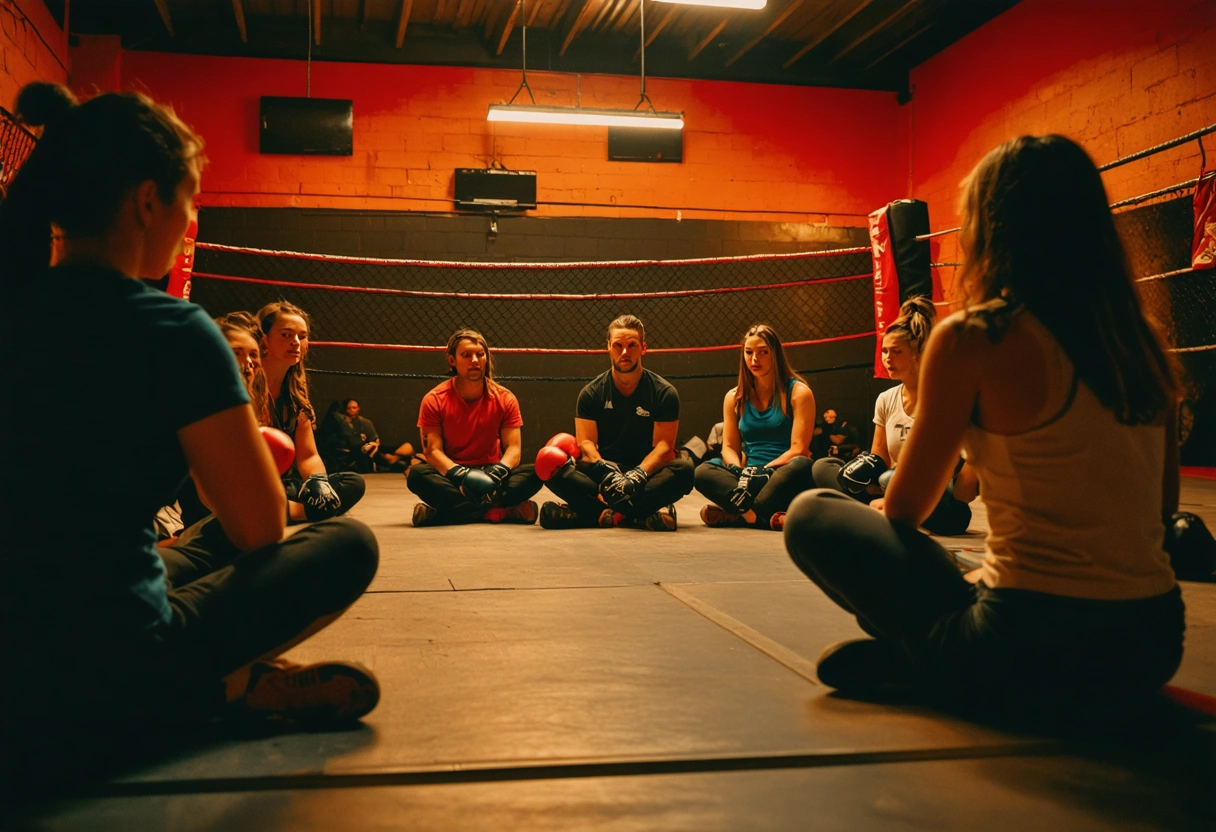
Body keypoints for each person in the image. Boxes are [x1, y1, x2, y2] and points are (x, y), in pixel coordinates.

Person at [0, 84, 381, 796]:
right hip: (105, 676)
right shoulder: (173, 331)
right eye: (188, 200)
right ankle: (227, 691)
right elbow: (260, 525)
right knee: (346, 544)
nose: (190, 218)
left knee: (180, 549)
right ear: (147, 202)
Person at [784, 135, 1185, 727]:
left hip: (1027, 639)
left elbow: (903, 510)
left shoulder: (977, 337)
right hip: (1151, 644)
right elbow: (1162, 510)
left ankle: (937, 663)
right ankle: (945, 654)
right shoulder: (1141, 341)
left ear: (991, 228)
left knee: (811, 513)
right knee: (966, 577)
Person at [810, 297, 976, 536]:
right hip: (892, 486)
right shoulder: (886, 399)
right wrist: (860, 475)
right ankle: (877, 512)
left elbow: (963, 469)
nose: (887, 358)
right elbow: (879, 458)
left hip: (943, 504)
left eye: (896, 352)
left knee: (893, 477)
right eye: (885, 351)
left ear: (918, 353)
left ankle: (864, 513)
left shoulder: (945, 397)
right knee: (824, 467)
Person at [541, 314, 694, 530]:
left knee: (685, 470)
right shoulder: (591, 393)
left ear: (643, 348)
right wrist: (607, 473)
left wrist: (637, 476)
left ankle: (590, 514)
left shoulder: (664, 392)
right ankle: (639, 514)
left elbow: (664, 447)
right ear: (608, 347)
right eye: (618, 345)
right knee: (551, 468)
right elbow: (586, 444)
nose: (625, 352)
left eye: (632, 345)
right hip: (604, 475)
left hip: (647, 475)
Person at [407, 329, 542, 526]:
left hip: (493, 475)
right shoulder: (434, 399)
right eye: (466, 355)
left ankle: (445, 514)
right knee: (417, 476)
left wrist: (498, 472)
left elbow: (513, 449)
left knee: (538, 470)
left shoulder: (504, 398)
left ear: (486, 358)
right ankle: (500, 511)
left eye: (480, 354)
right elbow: (432, 451)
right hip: (453, 475)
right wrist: (461, 477)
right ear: (452, 360)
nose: (475, 360)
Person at [693, 324, 816, 531]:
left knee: (802, 465)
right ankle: (757, 516)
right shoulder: (734, 397)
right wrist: (737, 470)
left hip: (780, 475)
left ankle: (738, 514)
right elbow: (729, 447)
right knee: (703, 471)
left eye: (763, 352)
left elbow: (798, 449)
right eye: (749, 353)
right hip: (746, 478)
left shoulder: (799, 393)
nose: (754, 359)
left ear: (775, 354)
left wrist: (764, 471)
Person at [258, 301, 366, 523]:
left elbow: (308, 455)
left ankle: (288, 512)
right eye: (286, 334)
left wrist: (318, 482)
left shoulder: (295, 390)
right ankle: (298, 512)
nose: (295, 342)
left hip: (285, 487)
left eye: (302, 336)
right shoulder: (248, 383)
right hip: (252, 485)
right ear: (264, 339)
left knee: (352, 483)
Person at [320, 398, 415, 474]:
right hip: (360, 453)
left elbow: (376, 441)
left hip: (372, 448)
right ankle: (393, 461)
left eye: (355, 408)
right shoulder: (340, 423)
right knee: (366, 450)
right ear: (345, 410)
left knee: (406, 447)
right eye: (350, 408)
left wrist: (373, 445)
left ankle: (395, 458)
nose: (353, 411)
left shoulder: (364, 423)